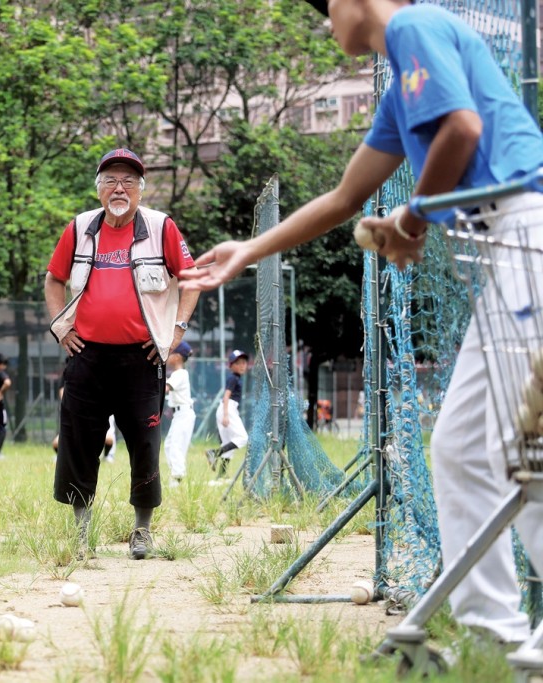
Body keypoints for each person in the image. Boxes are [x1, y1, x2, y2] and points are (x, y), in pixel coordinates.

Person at [180, 0, 543, 646]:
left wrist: (411, 218)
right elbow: (344, 199)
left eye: (326, 12)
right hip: (510, 247)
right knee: (466, 445)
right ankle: (496, 632)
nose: (328, 27)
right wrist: (249, 250)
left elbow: (461, 128)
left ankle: (500, 630)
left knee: (517, 449)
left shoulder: (412, 27)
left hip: (524, 235)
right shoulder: (401, 93)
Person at [45, 147, 199, 560]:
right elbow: (54, 279)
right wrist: (63, 329)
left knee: (145, 443)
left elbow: (192, 279)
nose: (119, 188)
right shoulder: (79, 229)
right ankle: (81, 537)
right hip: (87, 356)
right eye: (111, 180)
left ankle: (142, 532)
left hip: (143, 358)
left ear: (141, 191)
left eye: (128, 181)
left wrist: (174, 331)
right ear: (98, 189)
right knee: (79, 443)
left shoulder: (161, 227)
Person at [206, 350, 249, 479]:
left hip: (227, 409)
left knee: (228, 444)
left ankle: (221, 476)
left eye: (244, 362)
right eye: (238, 363)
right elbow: (226, 396)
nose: (242, 365)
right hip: (228, 408)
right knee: (243, 438)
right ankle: (214, 453)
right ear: (231, 365)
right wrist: (226, 415)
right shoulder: (233, 378)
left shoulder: (236, 378)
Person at [164, 341, 195, 486]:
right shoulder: (178, 374)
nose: (168, 357)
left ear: (177, 357)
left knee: (176, 446)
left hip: (184, 414)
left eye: (170, 353)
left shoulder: (180, 373)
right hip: (179, 414)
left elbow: (166, 389)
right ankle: (176, 476)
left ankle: (177, 479)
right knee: (169, 445)